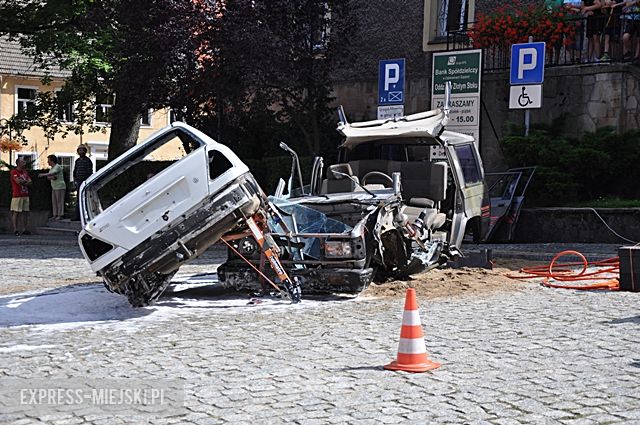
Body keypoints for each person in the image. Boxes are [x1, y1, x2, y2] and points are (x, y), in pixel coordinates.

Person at [38, 154, 66, 220]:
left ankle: (60, 214)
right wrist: (50, 177)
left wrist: (43, 174)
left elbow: (53, 173)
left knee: (59, 201)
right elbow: (51, 177)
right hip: (54, 186)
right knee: (54, 201)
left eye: (49, 160)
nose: (48, 162)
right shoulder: (52, 168)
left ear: (52, 161)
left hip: (60, 186)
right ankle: (55, 214)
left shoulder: (57, 167)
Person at [9, 158, 32, 236]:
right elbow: (18, 181)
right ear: (18, 163)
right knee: (16, 212)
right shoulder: (14, 172)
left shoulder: (25, 172)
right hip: (17, 195)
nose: (24, 163)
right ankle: (15, 229)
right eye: (22, 162)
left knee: (25, 212)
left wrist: (24, 182)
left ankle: (24, 229)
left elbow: (30, 182)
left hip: (25, 194)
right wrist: (25, 182)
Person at [72, 144, 93, 221]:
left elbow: (89, 171)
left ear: (85, 151)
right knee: (78, 199)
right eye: (80, 150)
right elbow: (75, 171)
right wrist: (75, 179)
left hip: (84, 181)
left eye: (82, 150)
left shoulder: (88, 161)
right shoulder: (77, 161)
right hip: (78, 181)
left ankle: (84, 216)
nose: (81, 152)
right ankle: (77, 216)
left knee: (85, 199)